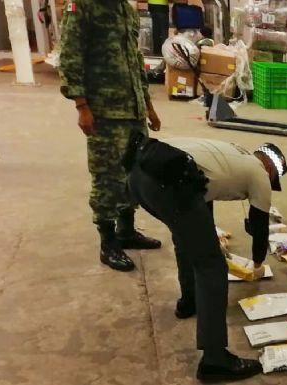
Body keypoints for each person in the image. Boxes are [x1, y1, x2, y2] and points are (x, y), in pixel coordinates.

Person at [125, 135, 287, 382]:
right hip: (170, 183)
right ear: (271, 168)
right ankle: (214, 361)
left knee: (186, 237)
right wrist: (256, 264)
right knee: (212, 267)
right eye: (276, 177)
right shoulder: (260, 173)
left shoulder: (232, 151)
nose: (272, 182)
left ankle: (189, 301)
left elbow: (202, 196)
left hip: (140, 173)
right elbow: (259, 227)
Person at [59, 0, 163, 272]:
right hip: (104, 111)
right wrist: (82, 106)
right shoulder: (82, 6)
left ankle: (126, 231)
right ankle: (108, 243)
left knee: (134, 173)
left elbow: (135, 60)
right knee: (107, 178)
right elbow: (70, 56)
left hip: (133, 110)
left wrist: (148, 107)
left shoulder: (125, 9)